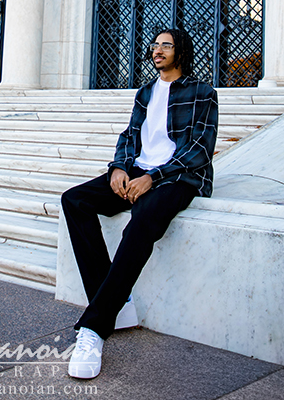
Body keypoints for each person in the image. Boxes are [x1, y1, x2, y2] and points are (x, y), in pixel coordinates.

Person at [61, 28, 218, 379]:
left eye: (166, 45)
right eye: (155, 44)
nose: (157, 50)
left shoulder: (202, 92)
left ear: (181, 51)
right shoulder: (146, 92)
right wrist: (118, 168)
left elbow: (200, 150)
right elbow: (130, 135)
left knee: (143, 217)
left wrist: (154, 177)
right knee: (75, 200)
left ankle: (94, 328)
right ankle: (119, 303)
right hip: (137, 170)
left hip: (177, 179)